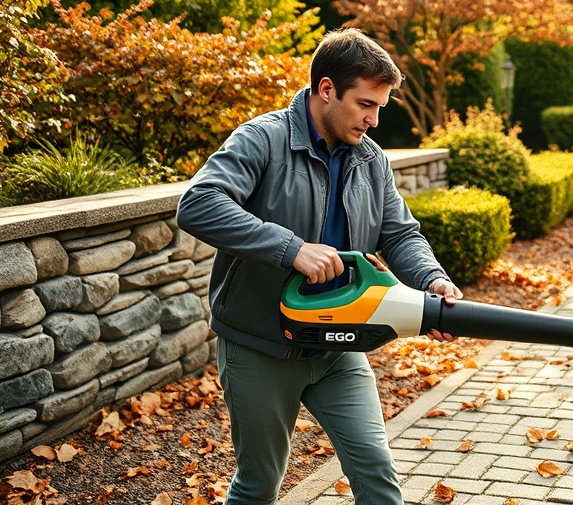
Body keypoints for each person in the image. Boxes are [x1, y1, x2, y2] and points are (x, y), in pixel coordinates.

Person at [176, 28, 462, 505]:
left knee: (376, 470)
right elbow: (199, 203)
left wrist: (433, 279)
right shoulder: (263, 139)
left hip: (339, 344)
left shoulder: (370, 161)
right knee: (258, 487)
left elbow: (399, 233)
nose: (373, 120)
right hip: (261, 347)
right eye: (365, 104)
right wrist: (292, 248)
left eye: (379, 108)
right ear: (326, 90)